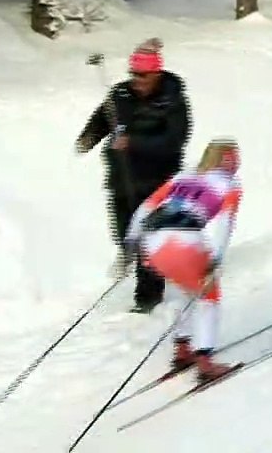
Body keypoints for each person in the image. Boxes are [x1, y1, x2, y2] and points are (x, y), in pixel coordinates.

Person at [77, 38, 191, 313]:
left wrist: (134, 143)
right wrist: (88, 138)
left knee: (149, 237)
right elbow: (103, 119)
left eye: (143, 75)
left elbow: (174, 140)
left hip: (157, 181)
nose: (137, 81)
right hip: (121, 178)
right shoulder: (120, 95)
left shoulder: (172, 100)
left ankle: (147, 298)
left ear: (157, 74)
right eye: (134, 74)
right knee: (125, 233)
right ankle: (140, 257)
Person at [124, 139, 244, 383]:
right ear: (226, 159)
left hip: (153, 241)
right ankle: (205, 362)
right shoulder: (230, 185)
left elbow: (146, 207)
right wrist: (215, 260)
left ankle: (182, 349)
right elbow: (224, 223)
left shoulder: (183, 176)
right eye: (235, 157)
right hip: (185, 240)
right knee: (208, 296)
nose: (238, 163)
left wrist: (131, 240)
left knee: (180, 289)